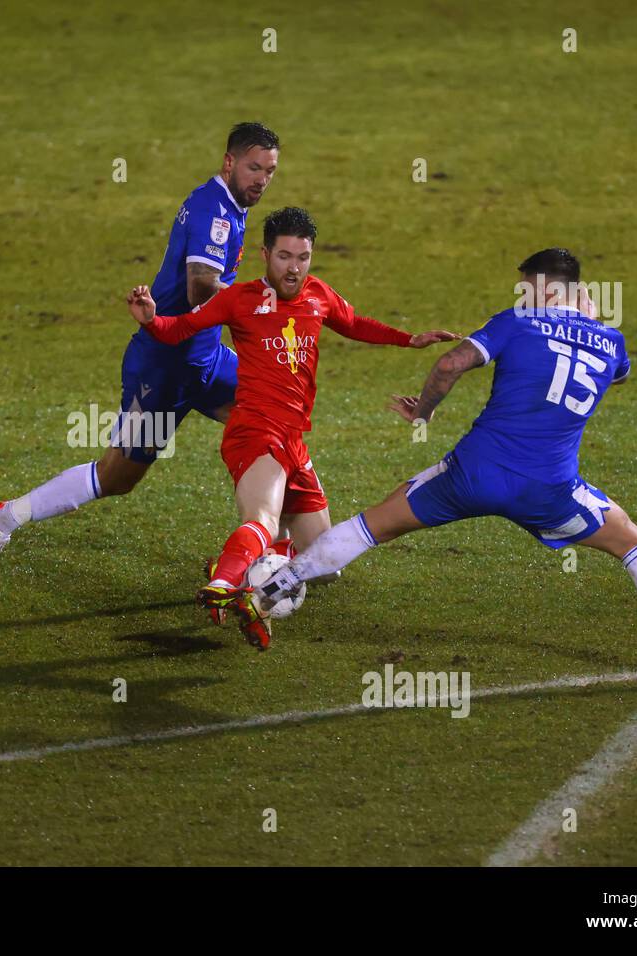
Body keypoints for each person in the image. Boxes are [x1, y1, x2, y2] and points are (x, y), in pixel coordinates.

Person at [245, 248, 637, 683]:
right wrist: (588, 323)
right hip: (550, 492)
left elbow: (449, 364)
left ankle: (272, 589)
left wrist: (425, 411)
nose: (522, 295)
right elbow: (616, 376)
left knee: (375, 524)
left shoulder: (516, 321)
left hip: (471, 476)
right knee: (634, 545)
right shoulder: (610, 344)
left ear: (547, 290)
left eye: (527, 288)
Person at [126, 207, 458, 648]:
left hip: (293, 441)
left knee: (324, 563)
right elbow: (180, 329)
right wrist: (151, 318)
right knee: (262, 520)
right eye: (284, 257)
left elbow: (354, 323)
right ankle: (226, 584)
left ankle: (248, 577)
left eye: (302, 257)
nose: (294, 267)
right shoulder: (239, 299)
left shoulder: (318, 295)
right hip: (255, 432)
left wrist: (407, 338)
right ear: (265, 254)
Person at [0, 123, 282, 585]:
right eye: (253, 167)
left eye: (270, 171)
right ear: (229, 162)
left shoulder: (232, 207)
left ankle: (267, 551)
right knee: (118, 476)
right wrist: (257, 303)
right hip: (161, 369)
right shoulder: (214, 211)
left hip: (206, 359)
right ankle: (2, 517)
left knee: (277, 418)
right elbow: (200, 287)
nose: (261, 178)